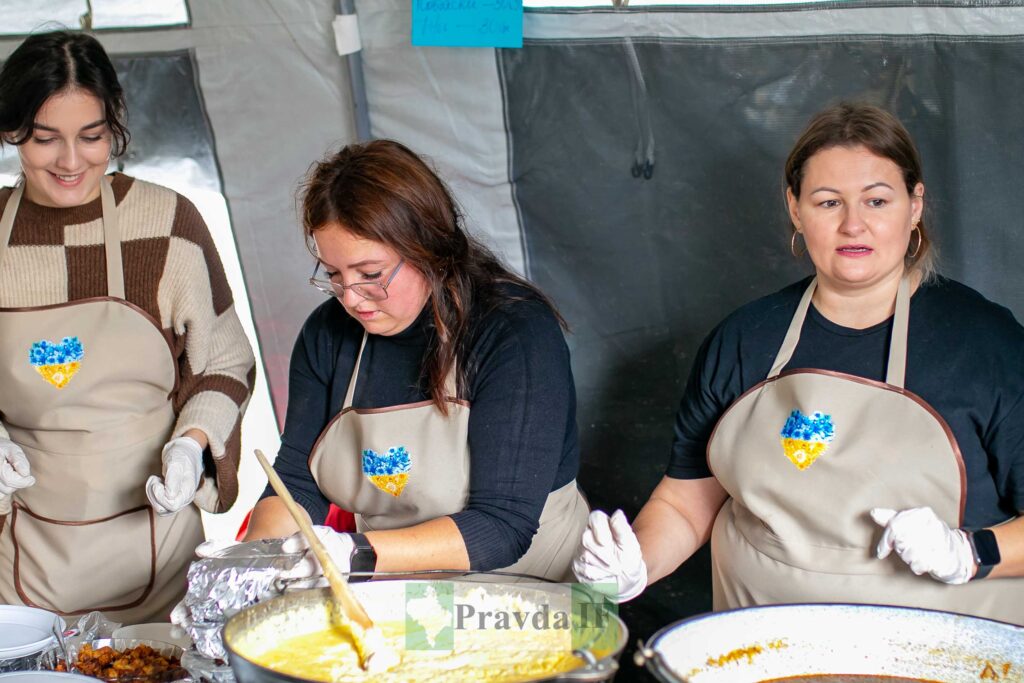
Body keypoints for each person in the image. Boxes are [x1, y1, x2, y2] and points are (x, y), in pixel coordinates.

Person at [573, 103, 1024, 624]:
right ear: (795, 208)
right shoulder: (744, 340)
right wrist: (634, 567)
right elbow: (684, 504)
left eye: (877, 200)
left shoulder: (986, 346)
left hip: (940, 657)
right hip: (759, 652)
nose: (854, 224)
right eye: (828, 202)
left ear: (915, 204)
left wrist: (969, 553)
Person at [241, 139, 588, 582]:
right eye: (333, 275)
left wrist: (351, 553)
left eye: (370, 275)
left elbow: (503, 526)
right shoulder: (328, 336)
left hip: (528, 598)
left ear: (427, 248)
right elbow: (296, 482)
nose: (351, 298)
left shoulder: (514, 331)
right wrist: (253, 563)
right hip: (395, 592)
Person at [0, 30, 255, 623]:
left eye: (92, 137)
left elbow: (224, 360)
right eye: (45, 139)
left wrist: (191, 446)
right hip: (20, 557)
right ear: (11, 132)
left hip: (158, 551)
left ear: (115, 124)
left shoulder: (167, 222)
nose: (70, 161)